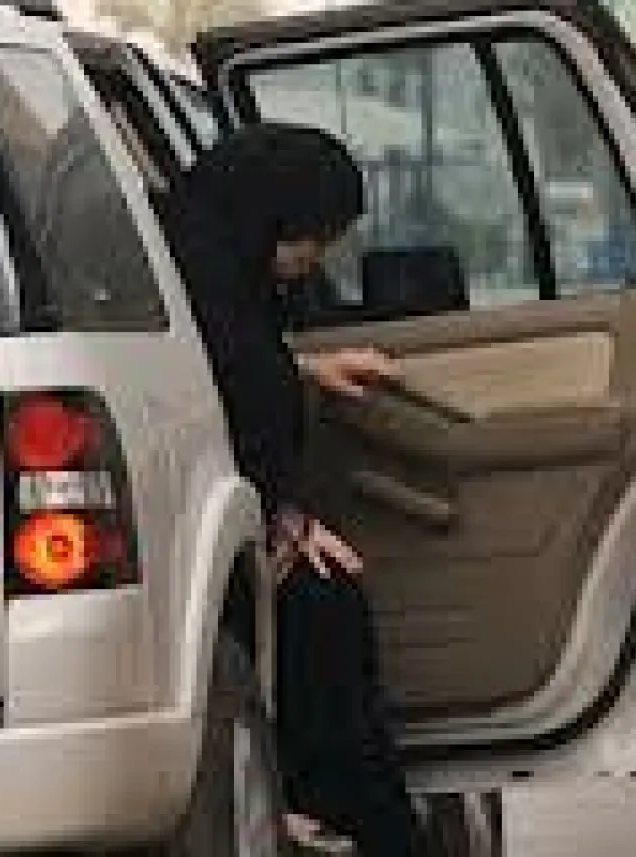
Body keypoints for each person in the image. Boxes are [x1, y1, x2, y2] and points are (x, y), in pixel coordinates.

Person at [164, 122, 430, 857]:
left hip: (233, 524)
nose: (314, 261)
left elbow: (233, 361)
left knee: (323, 605)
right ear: (271, 216)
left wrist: (306, 369)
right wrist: (285, 520)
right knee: (324, 611)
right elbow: (231, 382)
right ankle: (331, 816)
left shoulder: (202, 263)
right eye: (312, 238)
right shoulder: (199, 277)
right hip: (212, 529)